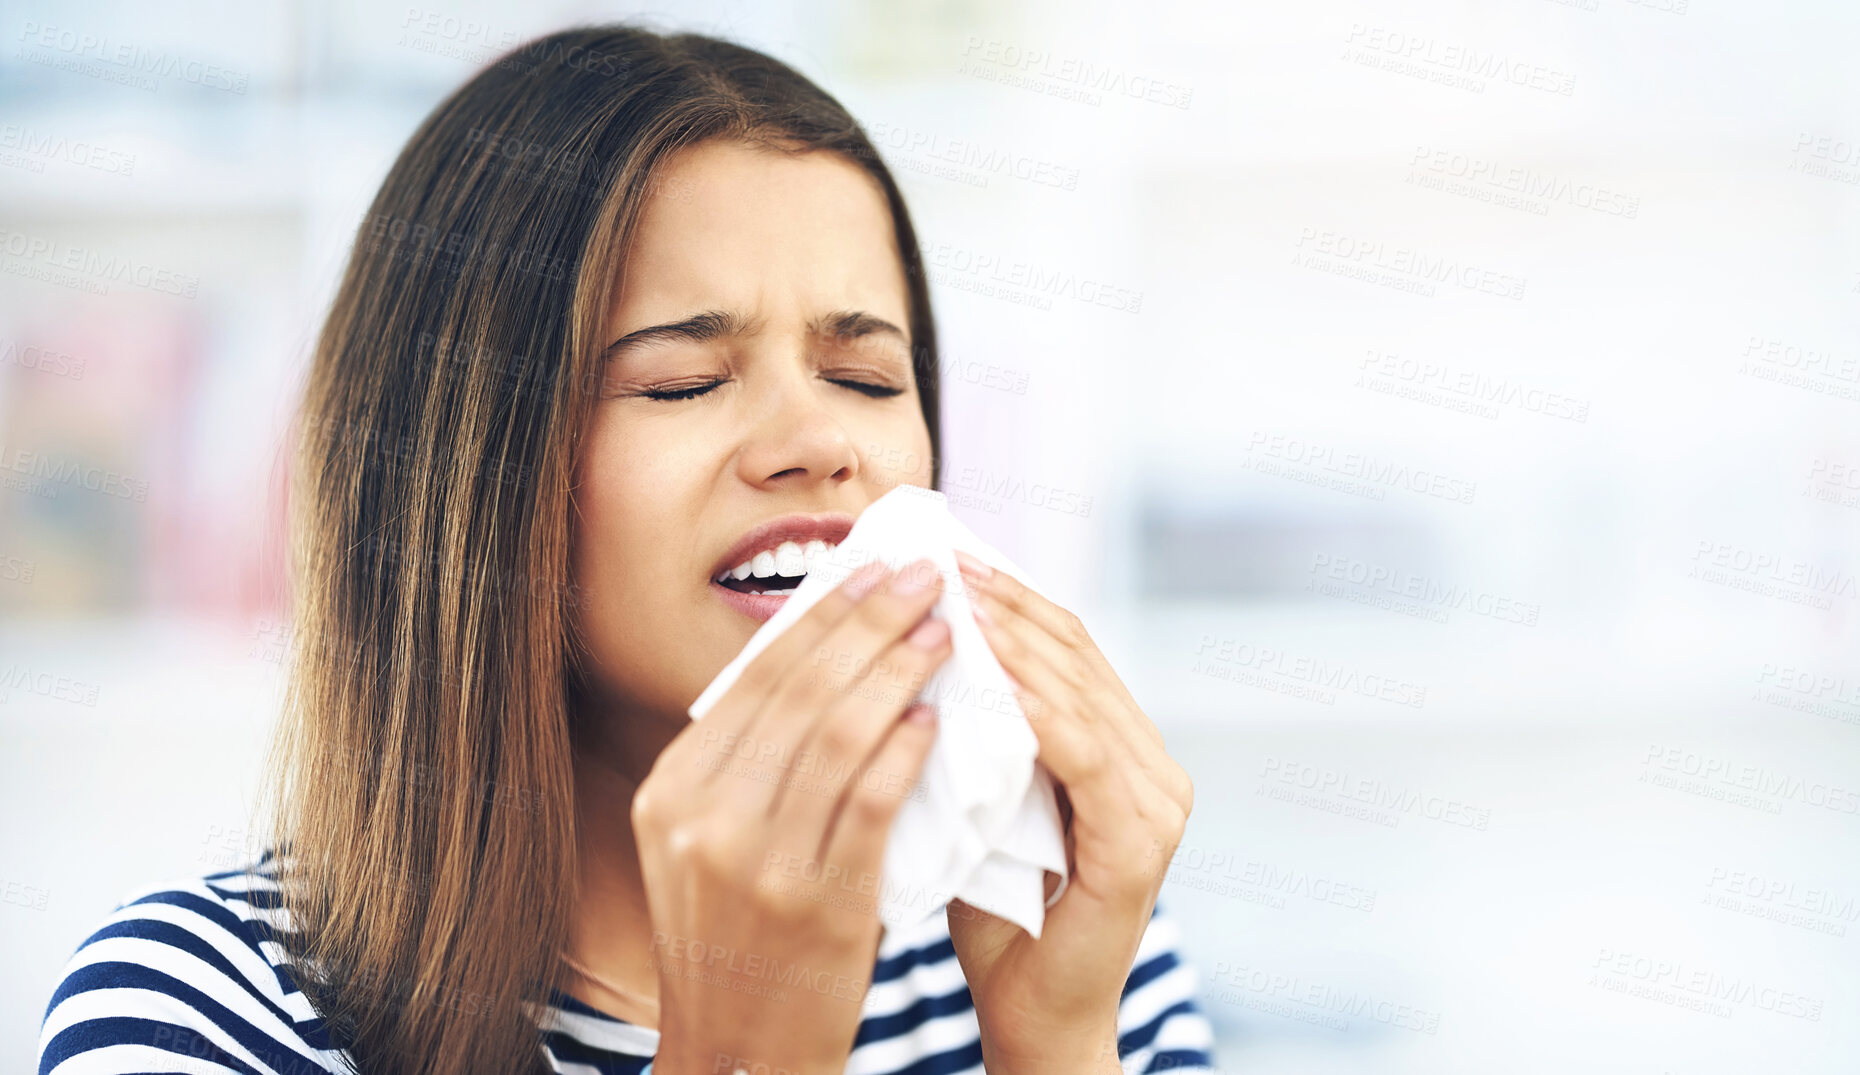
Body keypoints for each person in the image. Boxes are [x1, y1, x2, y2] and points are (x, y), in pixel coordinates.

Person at [37, 24, 1217, 1075]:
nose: (819, 444)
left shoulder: (1059, 943)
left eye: (864, 377)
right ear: (465, 472)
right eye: (684, 381)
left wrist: (1055, 1045)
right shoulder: (198, 1009)